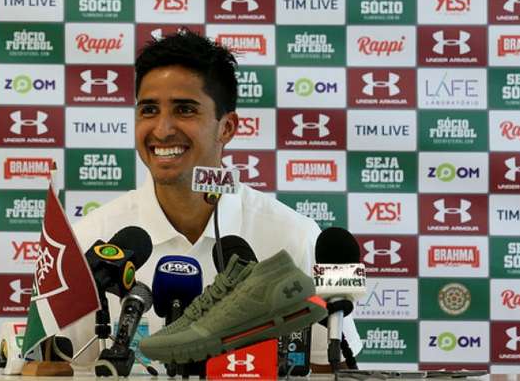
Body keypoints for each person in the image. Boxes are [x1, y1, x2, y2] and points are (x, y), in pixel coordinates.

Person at [64, 29, 360, 370]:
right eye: (148, 110)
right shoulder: (88, 240)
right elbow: (56, 369)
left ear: (228, 127)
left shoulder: (296, 237)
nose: (161, 130)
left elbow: (329, 369)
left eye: (185, 110)